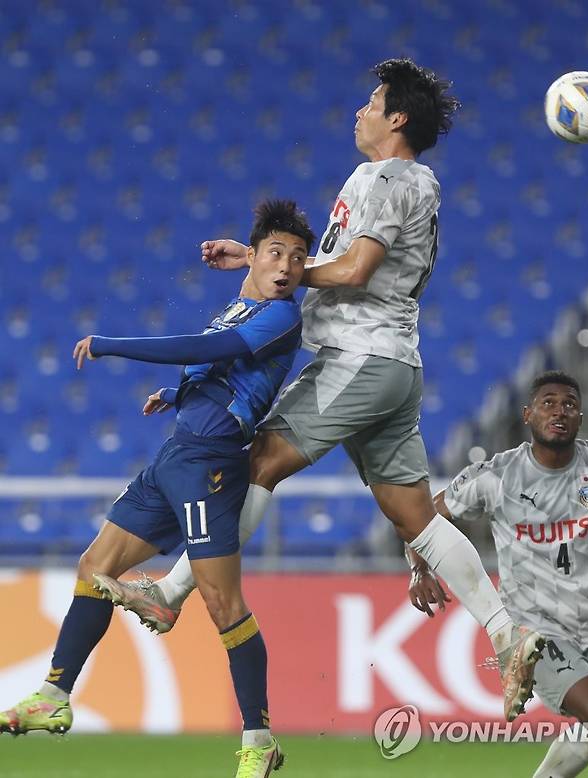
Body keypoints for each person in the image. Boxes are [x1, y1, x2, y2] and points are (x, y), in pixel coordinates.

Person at [97, 57, 544, 722]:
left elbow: (358, 269)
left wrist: (281, 272)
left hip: (357, 358)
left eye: (372, 101)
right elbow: (338, 260)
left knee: (257, 463)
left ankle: (171, 591)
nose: (360, 110)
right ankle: (509, 632)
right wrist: (258, 259)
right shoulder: (387, 179)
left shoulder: (393, 179)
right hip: (393, 363)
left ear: (396, 118)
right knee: (413, 517)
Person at [0, 200, 315, 778]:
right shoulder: (243, 303)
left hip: (212, 468)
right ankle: (54, 695)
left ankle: (259, 738)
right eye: (277, 253)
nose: (289, 266)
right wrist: (175, 397)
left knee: (224, 605)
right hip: (175, 457)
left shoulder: (281, 318)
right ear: (255, 256)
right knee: (96, 565)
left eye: (299, 258)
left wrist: (113, 344)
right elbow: (220, 371)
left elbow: (204, 350)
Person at [407, 370, 588, 778]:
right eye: (549, 403)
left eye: (570, 405)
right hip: (536, 638)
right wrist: (419, 568)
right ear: (527, 415)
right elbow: (423, 517)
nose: (560, 411)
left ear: (580, 417)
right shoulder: (496, 476)